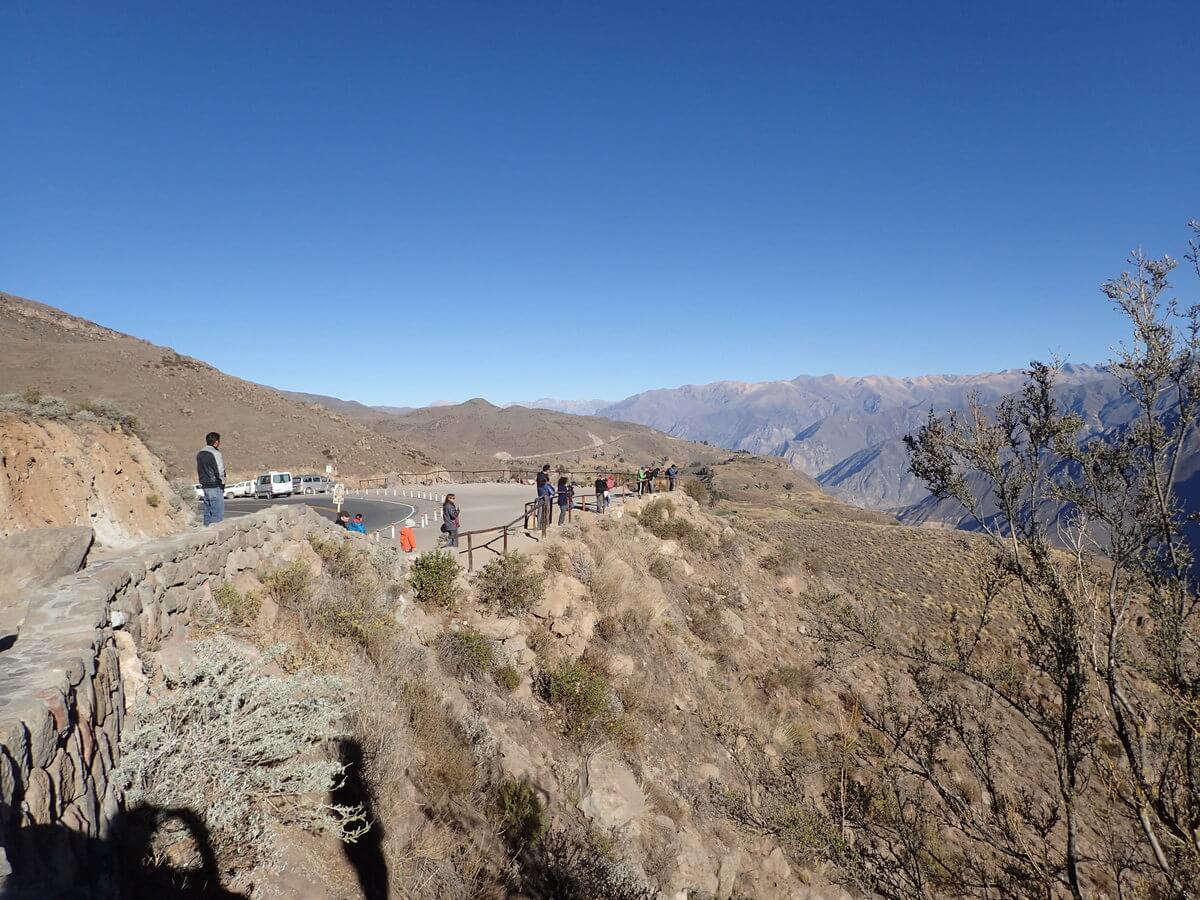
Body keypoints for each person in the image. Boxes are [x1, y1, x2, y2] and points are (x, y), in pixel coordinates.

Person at [196, 431, 226, 526]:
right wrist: (223, 483)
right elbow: (220, 470)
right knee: (217, 514)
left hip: (205, 485)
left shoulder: (200, 453)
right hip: (215, 485)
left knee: (207, 513)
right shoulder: (215, 453)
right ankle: (217, 539)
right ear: (216, 442)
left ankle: (205, 533)